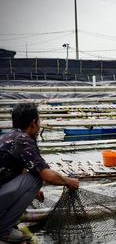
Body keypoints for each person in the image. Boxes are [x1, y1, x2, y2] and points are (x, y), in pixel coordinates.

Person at [0, 103, 79, 243]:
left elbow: (19, 166)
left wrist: (32, 191)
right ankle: (4, 231)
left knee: (32, 179)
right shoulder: (24, 141)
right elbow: (47, 175)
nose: (39, 126)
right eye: (39, 121)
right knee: (35, 179)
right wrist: (68, 181)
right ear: (33, 123)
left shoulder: (8, 137)